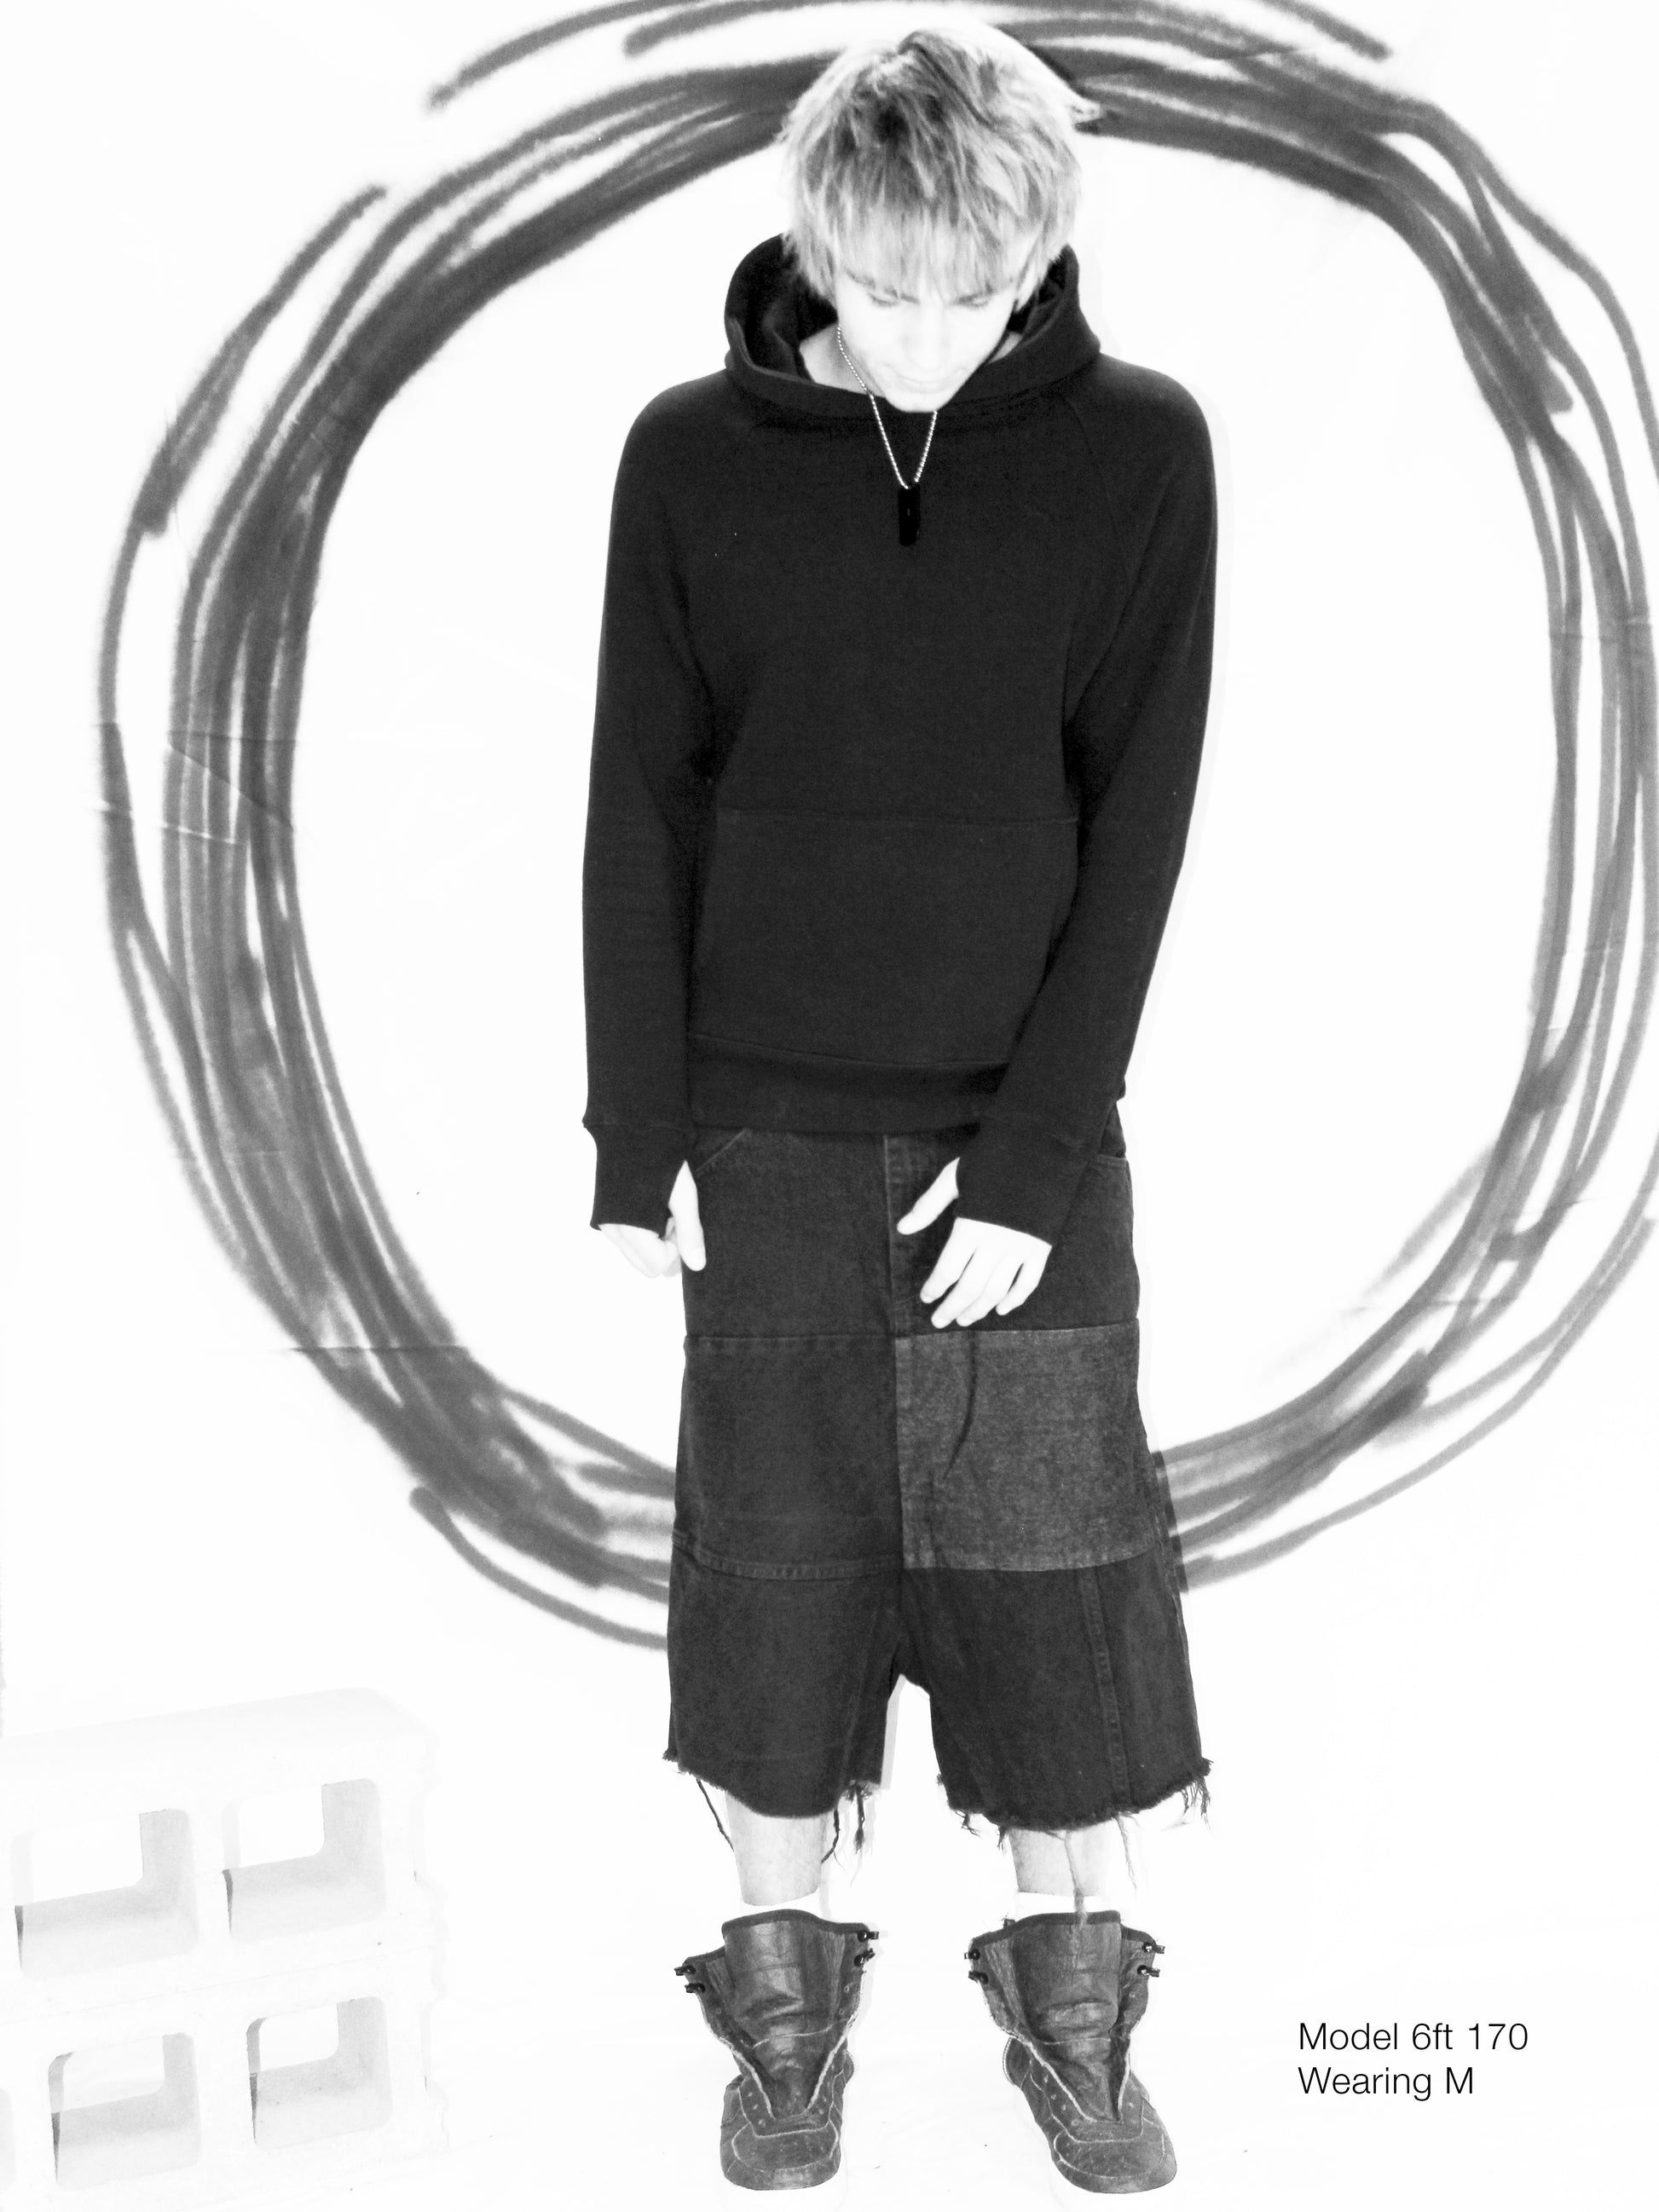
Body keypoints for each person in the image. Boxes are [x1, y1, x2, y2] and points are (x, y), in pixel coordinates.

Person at [581, 20, 1217, 2198]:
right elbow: (641, 800)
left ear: (1035, 256)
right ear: (816, 245)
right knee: (771, 1586)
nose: (926, 335)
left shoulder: (1138, 453)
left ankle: (1076, 2026)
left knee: (1057, 1586)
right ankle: (784, 2039)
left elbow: (1136, 829)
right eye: (881, 287)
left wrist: (1033, 1159)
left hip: (1017, 1138)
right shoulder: (690, 458)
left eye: (973, 290)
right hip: (756, 1128)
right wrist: (635, 1136)